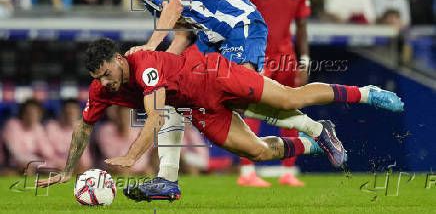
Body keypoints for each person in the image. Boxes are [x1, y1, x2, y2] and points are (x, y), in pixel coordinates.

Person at [37, 38, 404, 202]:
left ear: (118, 59)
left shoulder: (143, 65)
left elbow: (152, 117)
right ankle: (315, 140)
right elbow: (85, 125)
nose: (105, 82)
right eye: (98, 78)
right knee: (256, 153)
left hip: (213, 74)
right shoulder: (102, 90)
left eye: (107, 73)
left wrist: (133, 157)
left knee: (290, 98)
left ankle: (366, 92)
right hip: (198, 107)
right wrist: (69, 170)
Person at [88, 0, 272, 199]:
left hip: (236, 25)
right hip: (211, 37)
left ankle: (309, 125)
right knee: (174, 96)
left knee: (240, 97)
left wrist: (149, 48)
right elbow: (183, 32)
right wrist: (163, 69)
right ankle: (167, 178)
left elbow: (173, 8)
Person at [241, 0, 310, 187]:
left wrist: (304, 60)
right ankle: (247, 172)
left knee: (289, 111)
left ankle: (288, 172)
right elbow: (243, 24)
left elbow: (302, 27)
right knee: (253, 111)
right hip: (259, 58)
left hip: (287, 58)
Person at [46, 99, 93, 173]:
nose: (70, 114)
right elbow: (48, 154)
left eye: (73, 112)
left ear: (78, 113)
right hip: (53, 166)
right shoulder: (51, 126)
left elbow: (85, 158)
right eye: (67, 112)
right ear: (61, 113)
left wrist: (83, 166)